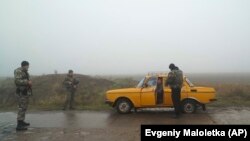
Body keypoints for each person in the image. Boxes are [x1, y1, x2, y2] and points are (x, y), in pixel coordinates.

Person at [14, 61, 32, 131]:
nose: (28, 67)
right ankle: (19, 125)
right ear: (24, 65)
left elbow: (26, 79)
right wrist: (27, 82)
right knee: (21, 107)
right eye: (27, 66)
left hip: (25, 92)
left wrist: (29, 83)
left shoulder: (25, 71)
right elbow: (17, 81)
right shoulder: (18, 71)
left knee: (24, 107)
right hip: (21, 93)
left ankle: (22, 121)